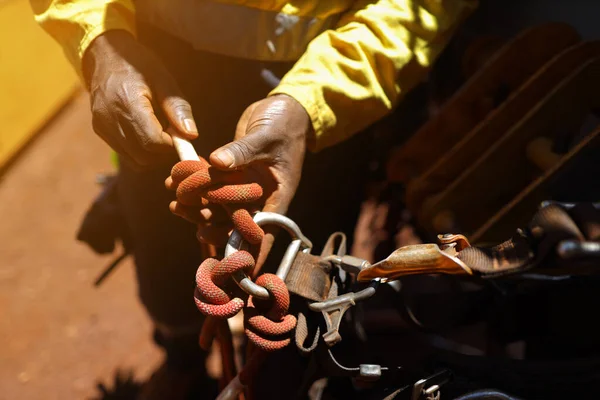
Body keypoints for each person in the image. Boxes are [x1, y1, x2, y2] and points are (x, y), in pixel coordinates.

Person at [31, 0, 476, 397]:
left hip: (321, 82)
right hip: (153, 67)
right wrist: (100, 42)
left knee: (297, 281)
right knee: (163, 256)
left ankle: (278, 379)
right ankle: (183, 358)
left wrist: (311, 103)